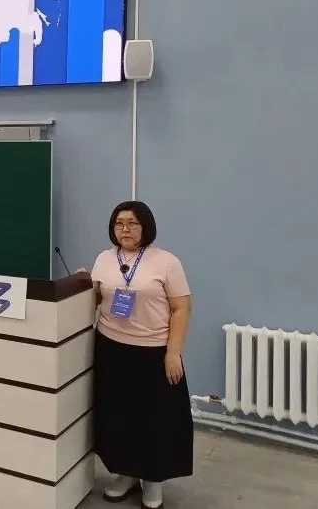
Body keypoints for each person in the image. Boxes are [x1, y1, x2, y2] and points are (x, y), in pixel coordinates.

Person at [79, 200, 193, 509]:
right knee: (118, 416)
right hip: (111, 348)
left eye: (132, 223)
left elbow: (182, 307)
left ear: (146, 227)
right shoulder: (104, 259)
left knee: (154, 420)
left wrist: (173, 353)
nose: (125, 229)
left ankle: (152, 481)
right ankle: (125, 474)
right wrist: (81, 283)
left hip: (153, 353)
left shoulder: (166, 262)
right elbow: (97, 298)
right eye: (119, 224)